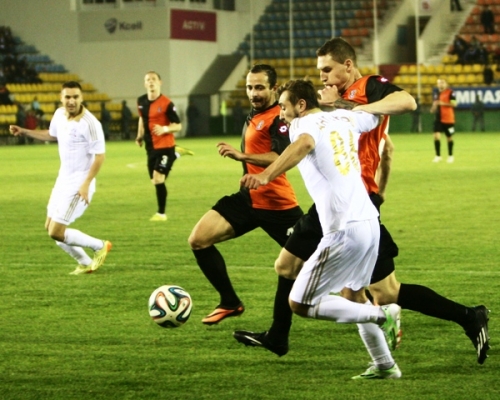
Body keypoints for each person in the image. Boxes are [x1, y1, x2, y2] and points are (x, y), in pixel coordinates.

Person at [234, 38, 490, 368]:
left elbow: (407, 101)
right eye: (319, 71)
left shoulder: (368, 87)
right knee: (292, 268)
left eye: (328, 69)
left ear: (348, 65)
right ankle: (283, 337)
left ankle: (465, 316)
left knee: (384, 293)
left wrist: (342, 105)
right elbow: (385, 147)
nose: (323, 76)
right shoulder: (338, 108)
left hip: (353, 202)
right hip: (344, 199)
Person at [240, 79, 402, 380]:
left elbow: (304, 144)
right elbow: (377, 115)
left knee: (300, 303)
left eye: (284, 107)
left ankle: (382, 314)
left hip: (343, 230)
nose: (282, 114)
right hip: (369, 223)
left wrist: (266, 175)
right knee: (354, 296)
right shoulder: (345, 117)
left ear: (301, 105)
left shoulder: (302, 125)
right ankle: (385, 365)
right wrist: (343, 103)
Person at [188, 64, 304, 326]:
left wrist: (243, 156)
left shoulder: (278, 118)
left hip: (277, 204)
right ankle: (229, 302)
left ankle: (369, 299)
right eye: (250, 87)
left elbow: (280, 156)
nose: (253, 93)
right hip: (249, 198)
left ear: (274, 88)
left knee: (319, 261)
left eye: (260, 87)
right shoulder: (255, 112)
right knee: (198, 239)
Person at [9, 81, 112, 275]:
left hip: (79, 183)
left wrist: (86, 184)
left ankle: (100, 246)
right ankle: (85, 262)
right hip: (62, 180)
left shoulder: (90, 124)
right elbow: (51, 135)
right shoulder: (59, 115)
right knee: (50, 227)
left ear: (81, 98)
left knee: (56, 231)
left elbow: (100, 156)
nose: (71, 101)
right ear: (61, 98)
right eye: (68, 97)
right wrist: (25, 131)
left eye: (75, 97)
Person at [136, 71, 183, 222]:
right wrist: (139, 135)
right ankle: (176, 155)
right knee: (154, 180)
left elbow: (178, 125)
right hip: (150, 148)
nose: (151, 81)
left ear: (159, 82)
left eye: (153, 79)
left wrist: (165, 129)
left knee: (158, 179)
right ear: (145, 84)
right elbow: (142, 119)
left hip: (165, 146)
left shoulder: (167, 103)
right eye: (148, 79)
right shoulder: (141, 101)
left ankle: (161, 214)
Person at [431, 78, 456, 163]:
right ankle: (438, 156)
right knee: (436, 136)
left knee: (449, 137)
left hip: (448, 118)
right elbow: (435, 104)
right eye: (439, 83)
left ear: (446, 84)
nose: (441, 84)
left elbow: (454, 104)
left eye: (442, 82)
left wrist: (442, 103)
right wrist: (433, 108)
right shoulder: (436, 93)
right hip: (438, 118)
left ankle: (450, 155)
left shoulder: (451, 93)